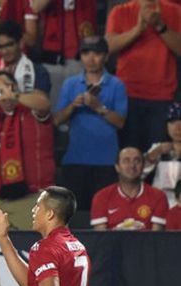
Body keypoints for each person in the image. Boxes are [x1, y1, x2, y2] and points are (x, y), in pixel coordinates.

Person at [54, 35, 128, 211]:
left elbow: (120, 122)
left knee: (103, 213)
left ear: (106, 56)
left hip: (106, 161)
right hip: (75, 159)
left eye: (97, 53)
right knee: (73, 216)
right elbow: (57, 119)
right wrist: (73, 106)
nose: (91, 58)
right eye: (86, 53)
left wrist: (98, 107)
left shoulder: (117, 85)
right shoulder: (70, 84)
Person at [0, 71, 55, 230]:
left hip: (32, 200)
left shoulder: (32, 112)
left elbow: (44, 104)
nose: (3, 94)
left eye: (6, 86)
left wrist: (14, 95)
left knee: (32, 252)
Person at [105, 0, 181, 152]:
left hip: (162, 98)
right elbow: (108, 47)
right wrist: (138, 30)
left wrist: (160, 26)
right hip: (127, 96)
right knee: (128, 156)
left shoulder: (175, 11)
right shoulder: (120, 11)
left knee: (157, 157)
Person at [31, 0, 96, 103]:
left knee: (83, 108)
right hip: (52, 60)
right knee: (54, 109)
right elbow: (36, 7)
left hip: (83, 58)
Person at [90, 147, 168, 230]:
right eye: (126, 161)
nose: (132, 165)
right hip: (113, 243)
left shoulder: (158, 196)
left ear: (143, 166)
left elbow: (157, 238)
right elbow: (100, 237)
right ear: (117, 167)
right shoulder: (101, 197)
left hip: (147, 243)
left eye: (137, 161)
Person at [142, 101, 181, 206]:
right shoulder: (158, 148)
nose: (178, 128)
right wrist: (153, 155)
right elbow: (137, 174)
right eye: (172, 122)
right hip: (160, 205)